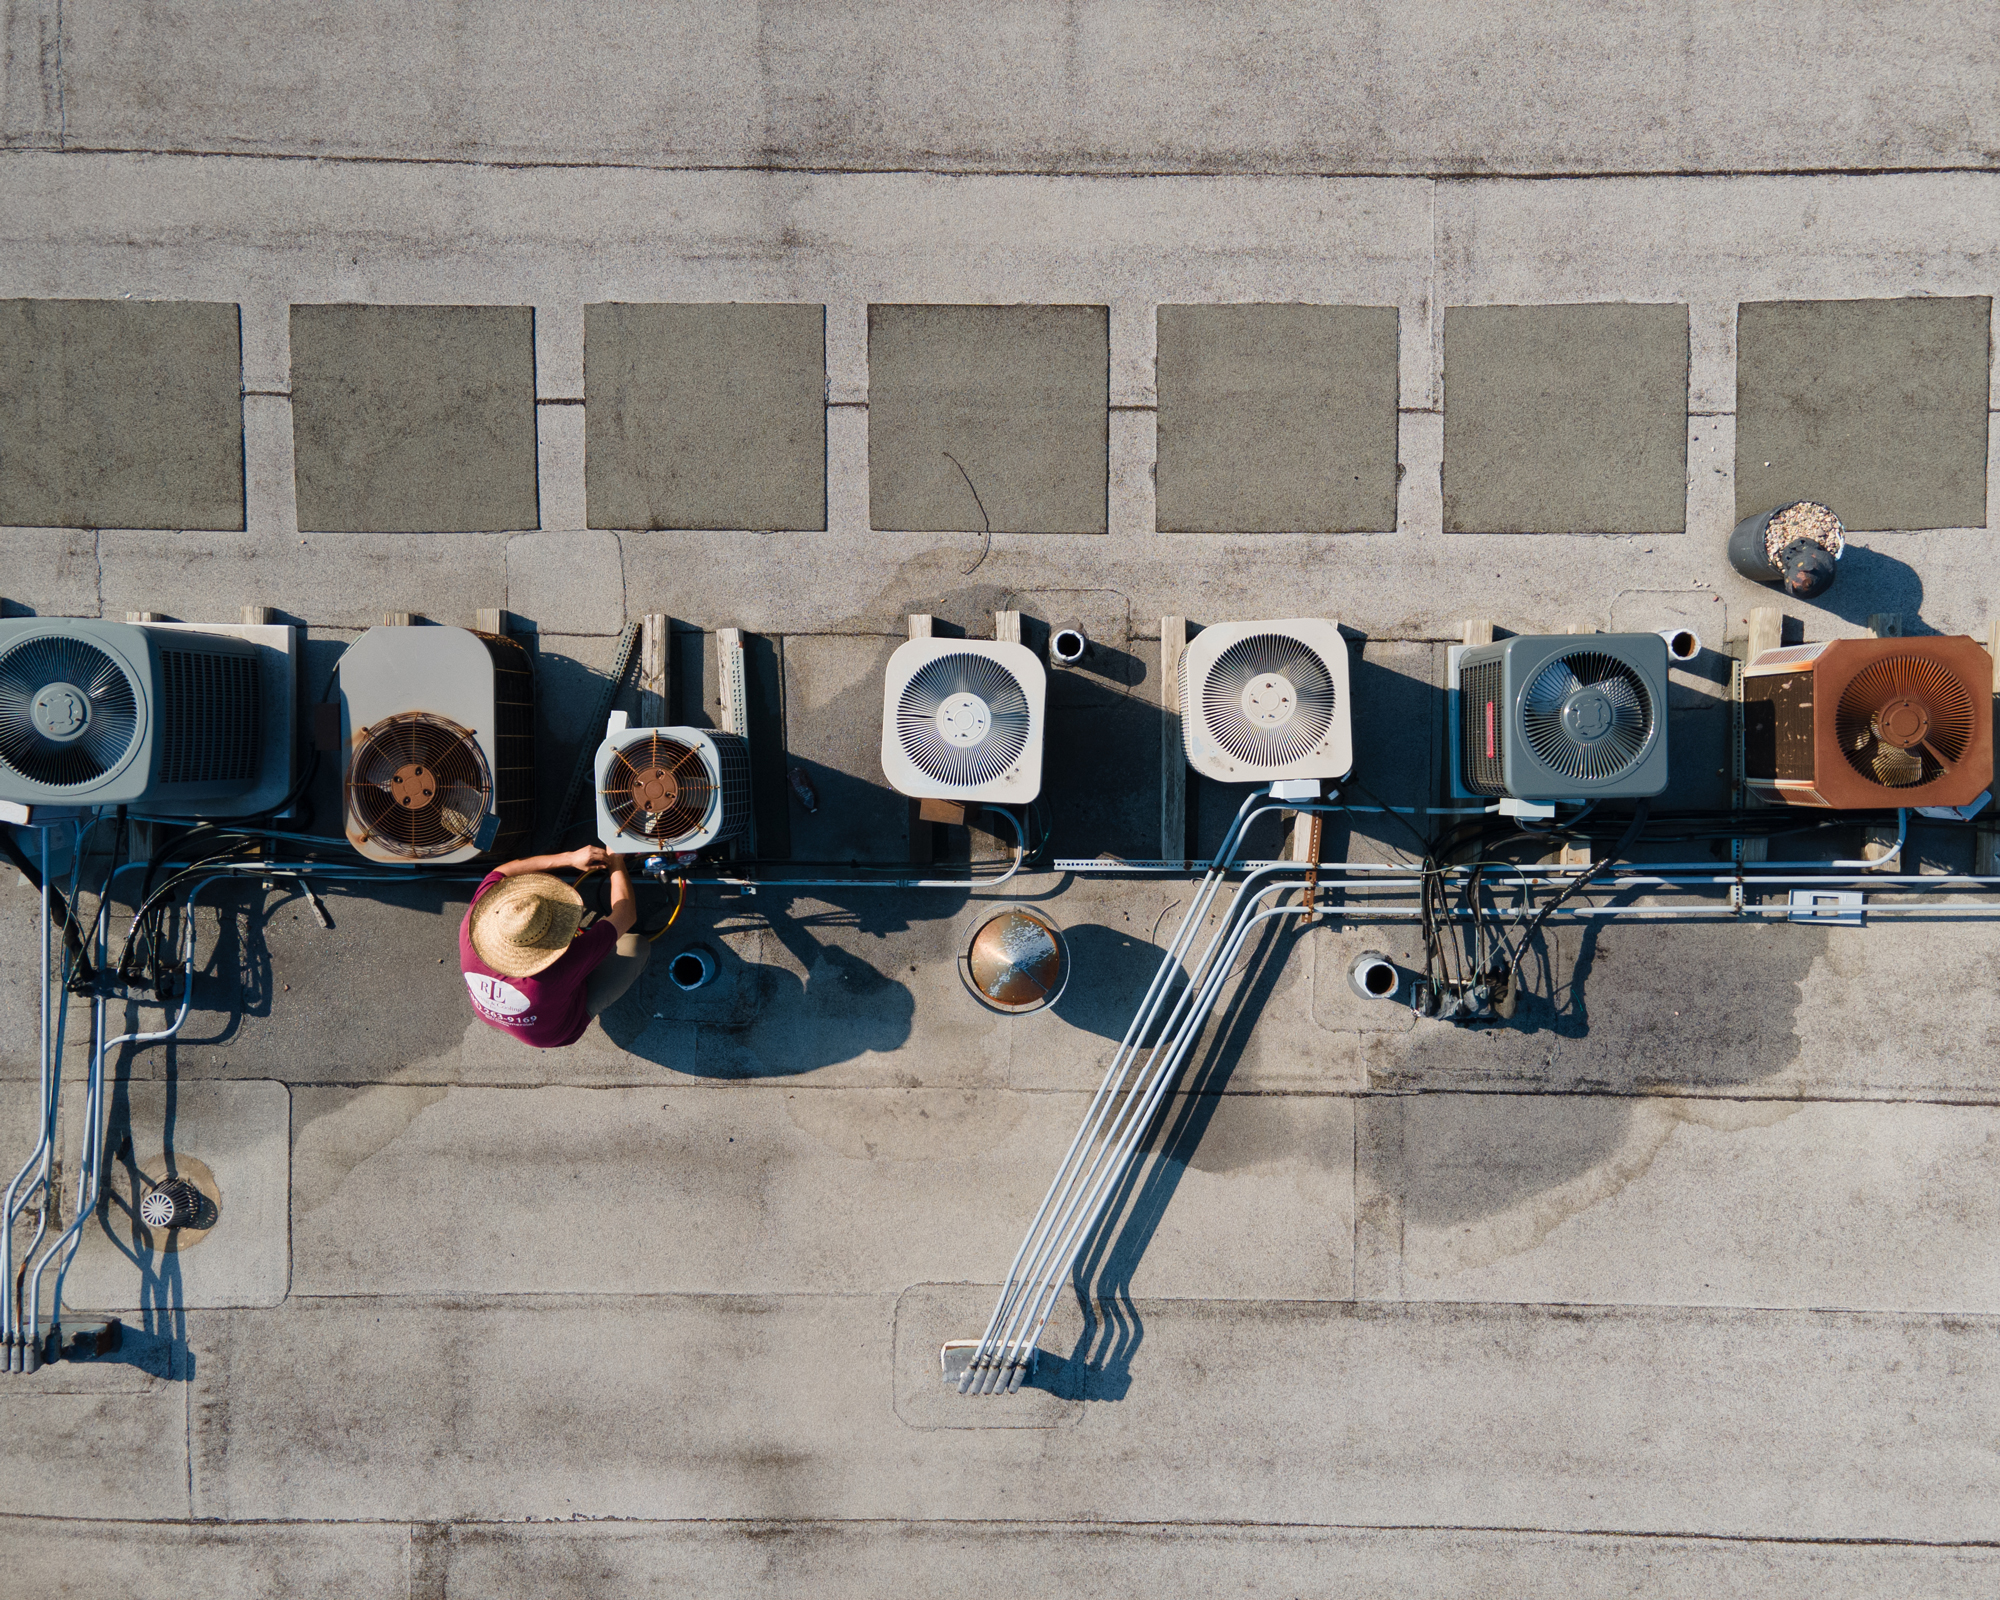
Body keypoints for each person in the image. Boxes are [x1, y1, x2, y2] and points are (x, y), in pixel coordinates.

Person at [460, 845, 649, 1048]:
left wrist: (571, 857)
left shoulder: (472, 928)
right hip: (554, 1033)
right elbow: (626, 915)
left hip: (491, 1014)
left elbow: (499, 873)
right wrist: (616, 861)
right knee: (636, 946)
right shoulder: (560, 970)